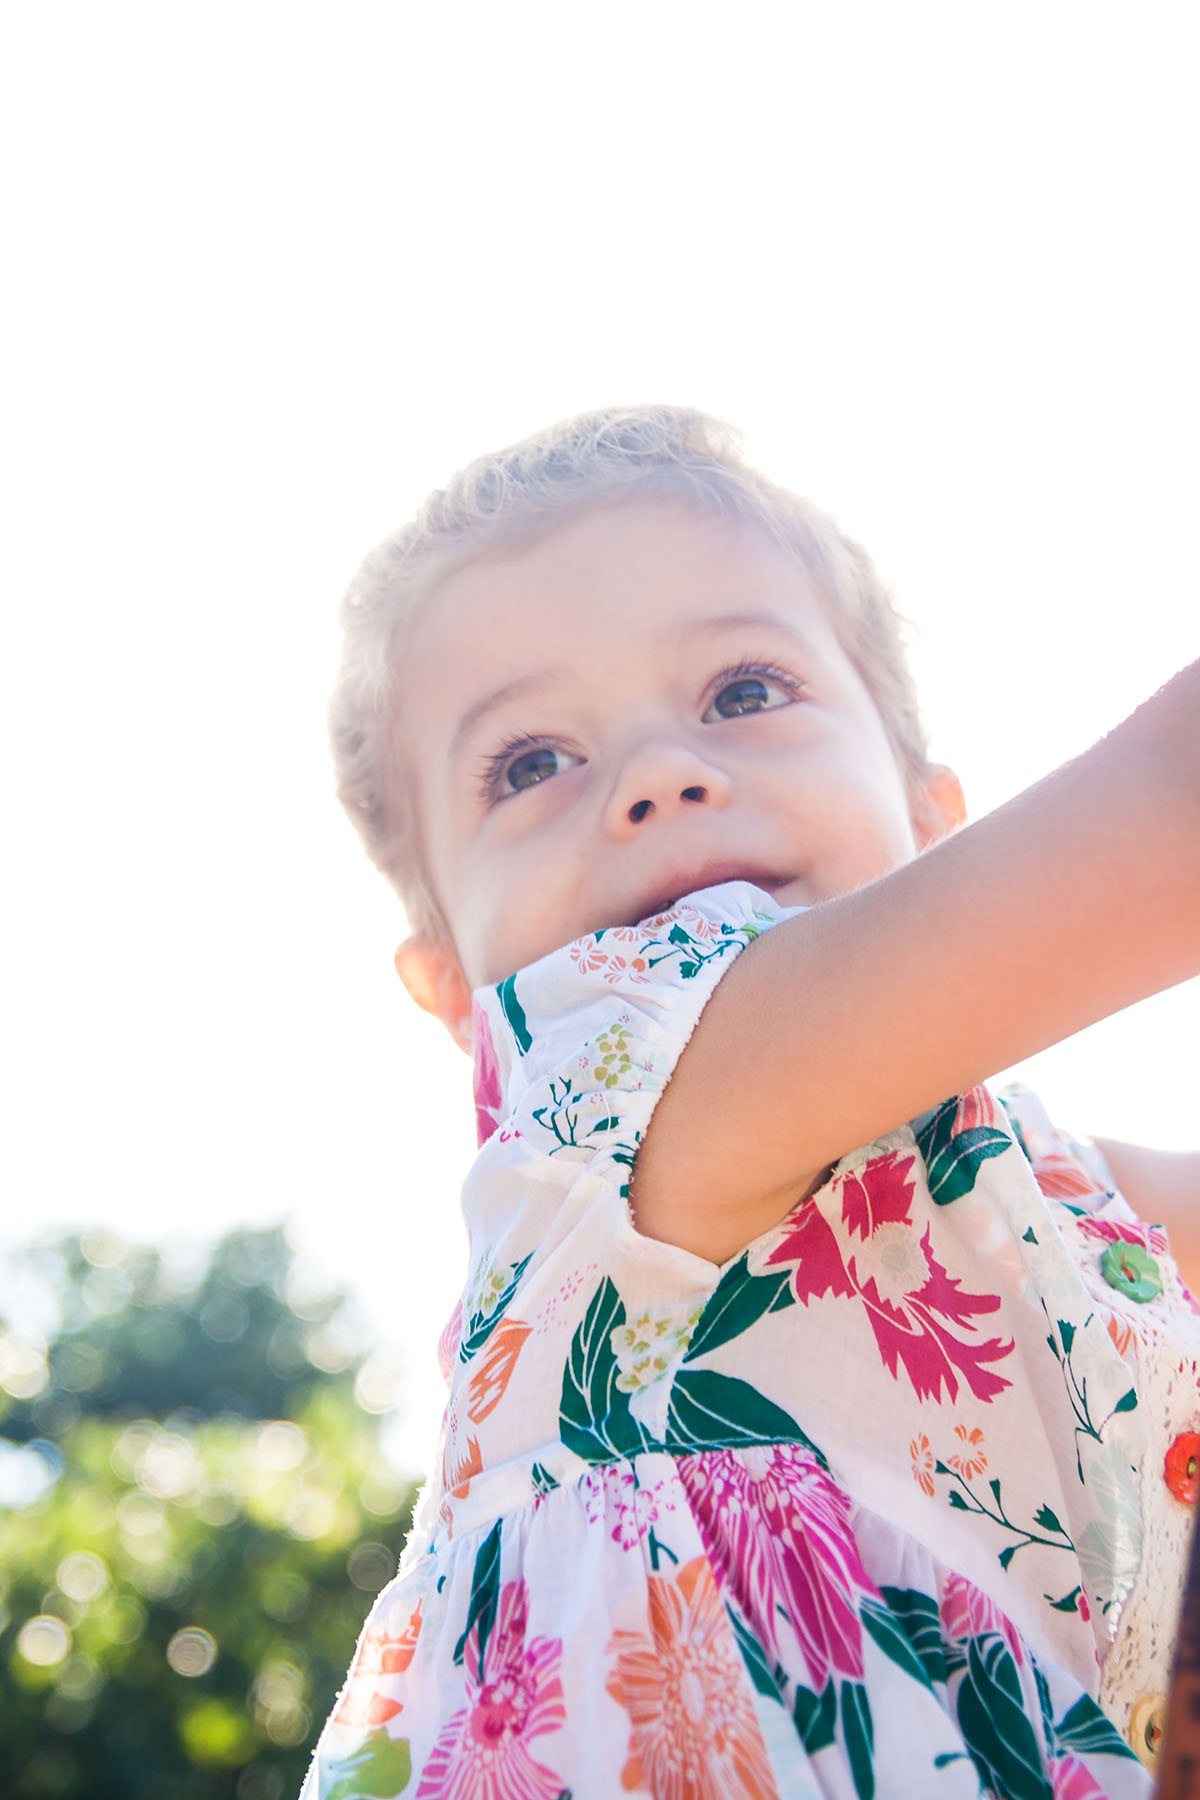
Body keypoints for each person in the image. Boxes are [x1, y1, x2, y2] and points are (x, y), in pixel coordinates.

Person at [301, 406, 1200, 1798]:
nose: (660, 778)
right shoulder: (628, 1093)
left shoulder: (1070, 1201)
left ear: (932, 819)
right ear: (458, 1000)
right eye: (530, 763)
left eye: (743, 692)